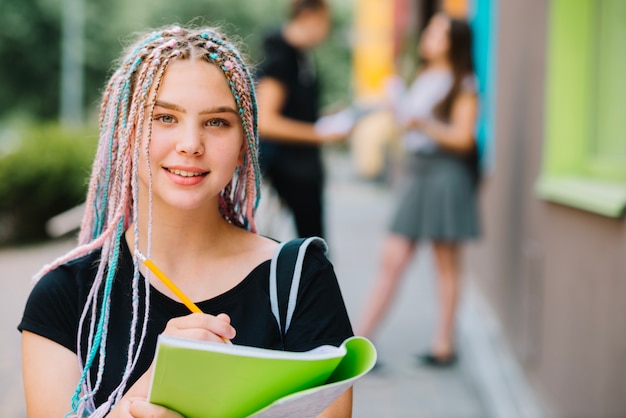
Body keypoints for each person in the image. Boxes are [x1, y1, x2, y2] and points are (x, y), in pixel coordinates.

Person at [18, 25, 353, 417]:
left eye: (216, 122)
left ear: (245, 143)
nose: (191, 143)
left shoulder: (299, 280)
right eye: (164, 117)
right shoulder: (64, 295)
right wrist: (156, 383)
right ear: (125, 132)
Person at [356, 12, 480, 367]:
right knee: (392, 258)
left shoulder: (464, 84)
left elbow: (463, 138)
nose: (428, 35)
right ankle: (361, 340)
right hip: (417, 172)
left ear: (453, 42)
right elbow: (410, 126)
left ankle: (444, 344)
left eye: (437, 32)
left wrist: (421, 123)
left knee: (445, 262)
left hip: (444, 174)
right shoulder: (425, 76)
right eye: (430, 30)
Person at [256, 0, 346, 239]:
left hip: (299, 167)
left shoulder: (300, 56)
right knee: (310, 242)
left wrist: (324, 117)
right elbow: (266, 121)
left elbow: (292, 111)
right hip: (288, 169)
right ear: (310, 16)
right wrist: (322, 134)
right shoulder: (281, 57)